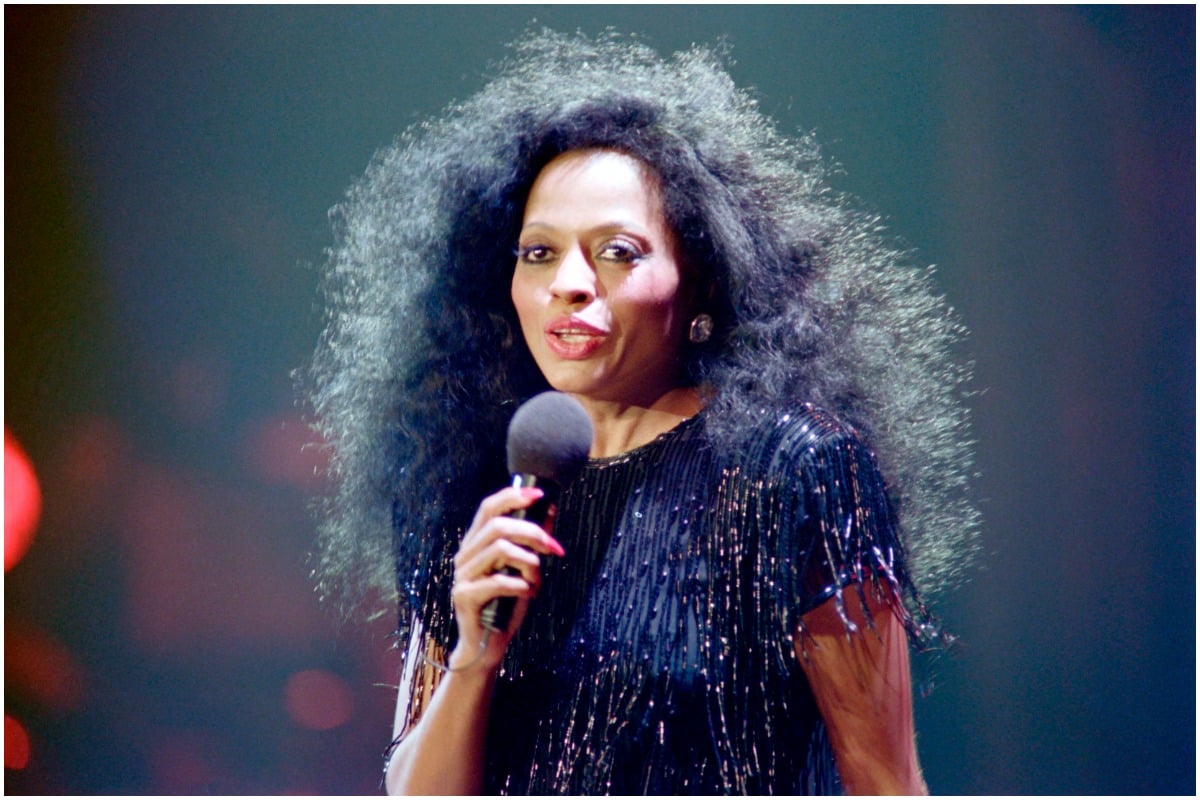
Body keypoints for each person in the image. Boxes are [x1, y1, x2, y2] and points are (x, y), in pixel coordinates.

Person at [307, 30, 978, 795]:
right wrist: (474, 658)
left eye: (618, 252)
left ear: (699, 281)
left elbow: (883, 781)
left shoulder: (795, 473)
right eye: (538, 253)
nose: (571, 283)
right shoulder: (469, 480)